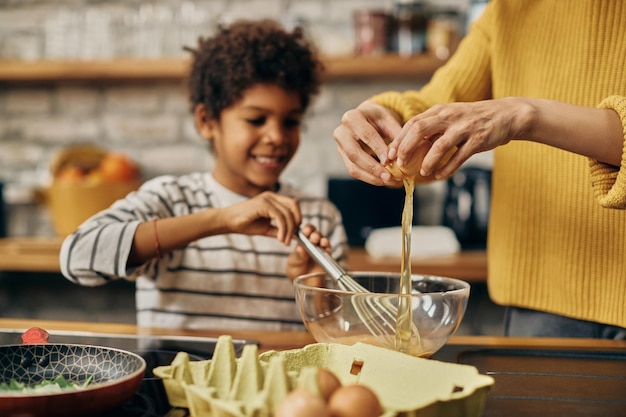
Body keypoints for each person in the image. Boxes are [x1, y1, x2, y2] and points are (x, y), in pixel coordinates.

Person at [333, 0, 626, 338]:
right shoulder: (509, 9)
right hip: (537, 299)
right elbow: (438, 106)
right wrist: (383, 119)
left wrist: (525, 114)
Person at [60, 19, 348, 331]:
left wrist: (313, 289)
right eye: (255, 119)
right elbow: (77, 257)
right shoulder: (170, 200)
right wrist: (221, 220)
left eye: (291, 122)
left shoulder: (320, 216)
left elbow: (338, 336)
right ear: (206, 121)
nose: (277, 136)